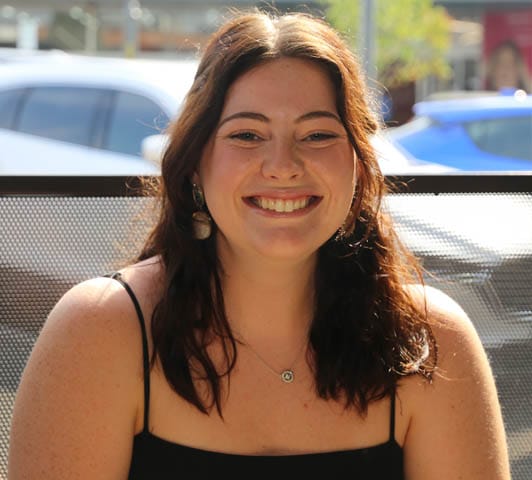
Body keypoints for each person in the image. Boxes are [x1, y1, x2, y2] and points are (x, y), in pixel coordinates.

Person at [8, 9, 510, 479]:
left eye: (317, 135)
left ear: (358, 166)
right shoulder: (100, 330)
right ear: (195, 164)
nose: (283, 166)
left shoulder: (429, 342)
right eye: (247, 135)